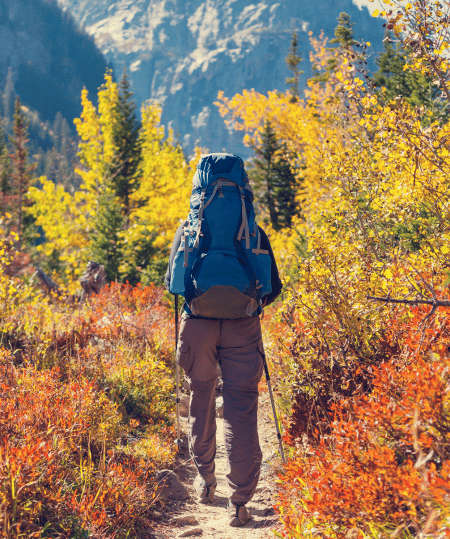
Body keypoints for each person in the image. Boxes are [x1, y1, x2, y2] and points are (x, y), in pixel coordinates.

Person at [164, 153, 282, 527]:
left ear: (200, 184)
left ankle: (206, 479)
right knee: (241, 408)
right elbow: (273, 286)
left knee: (200, 396)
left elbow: (173, 284)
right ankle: (241, 501)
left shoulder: (189, 228)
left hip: (197, 322)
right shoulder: (252, 229)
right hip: (242, 323)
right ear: (242, 185)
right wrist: (248, 303)